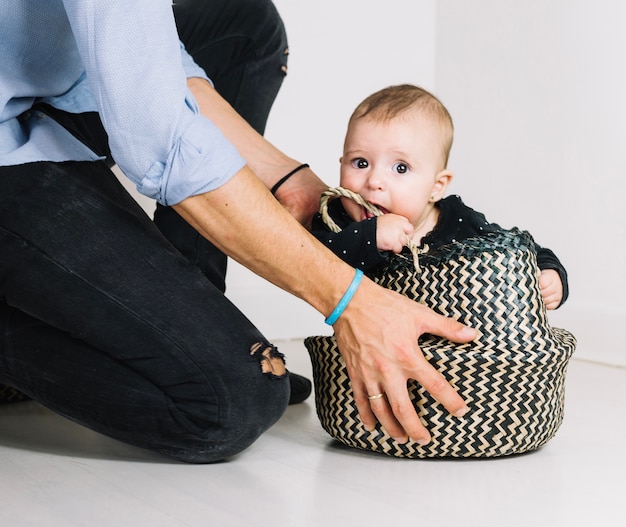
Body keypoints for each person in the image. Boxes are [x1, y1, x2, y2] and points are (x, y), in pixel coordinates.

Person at [0, 1, 476, 463]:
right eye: (362, 163)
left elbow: (147, 52)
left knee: (245, 25)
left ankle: (187, 327)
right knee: (230, 404)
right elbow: (159, 136)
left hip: (30, 79)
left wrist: (286, 176)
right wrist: (350, 299)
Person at [312, 84, 569, 310]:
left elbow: (511, 246)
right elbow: (315, 265)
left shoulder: (456, 220)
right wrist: (370, 237)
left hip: (450, 350)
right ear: (341, 163)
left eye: (400, 168)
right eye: (360, 162)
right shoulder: (338, 218)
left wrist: (548, 270)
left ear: (436, 186)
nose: (374, 182)